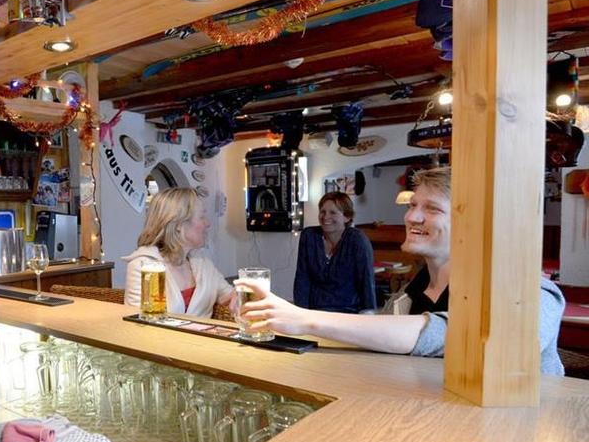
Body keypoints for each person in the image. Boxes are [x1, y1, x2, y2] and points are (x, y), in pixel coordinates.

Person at [236, 167, 565, 374]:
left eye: (431, 209)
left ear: (474, 223)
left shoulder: (528, 290)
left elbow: (468, 335)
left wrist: (306, 318)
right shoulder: (408, 295)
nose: (411, 217)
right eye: (412, 206)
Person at [124, 187, 236, 318]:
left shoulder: (203, 264)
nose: (208, 223)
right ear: (178, 225)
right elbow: (138, 323)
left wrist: (239, 296)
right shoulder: (144, 266)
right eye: (201, 217)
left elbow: (228, 295)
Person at [293, 192, 376, 313]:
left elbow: (366, 280)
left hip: (348, 312)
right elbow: (302, 279)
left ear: (347, 217)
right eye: (322, 212)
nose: (325, 217)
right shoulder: (309, 236)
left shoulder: (357, 240)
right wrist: (300, 313)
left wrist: (368, 313)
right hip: (315, 311)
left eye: (333, 212)